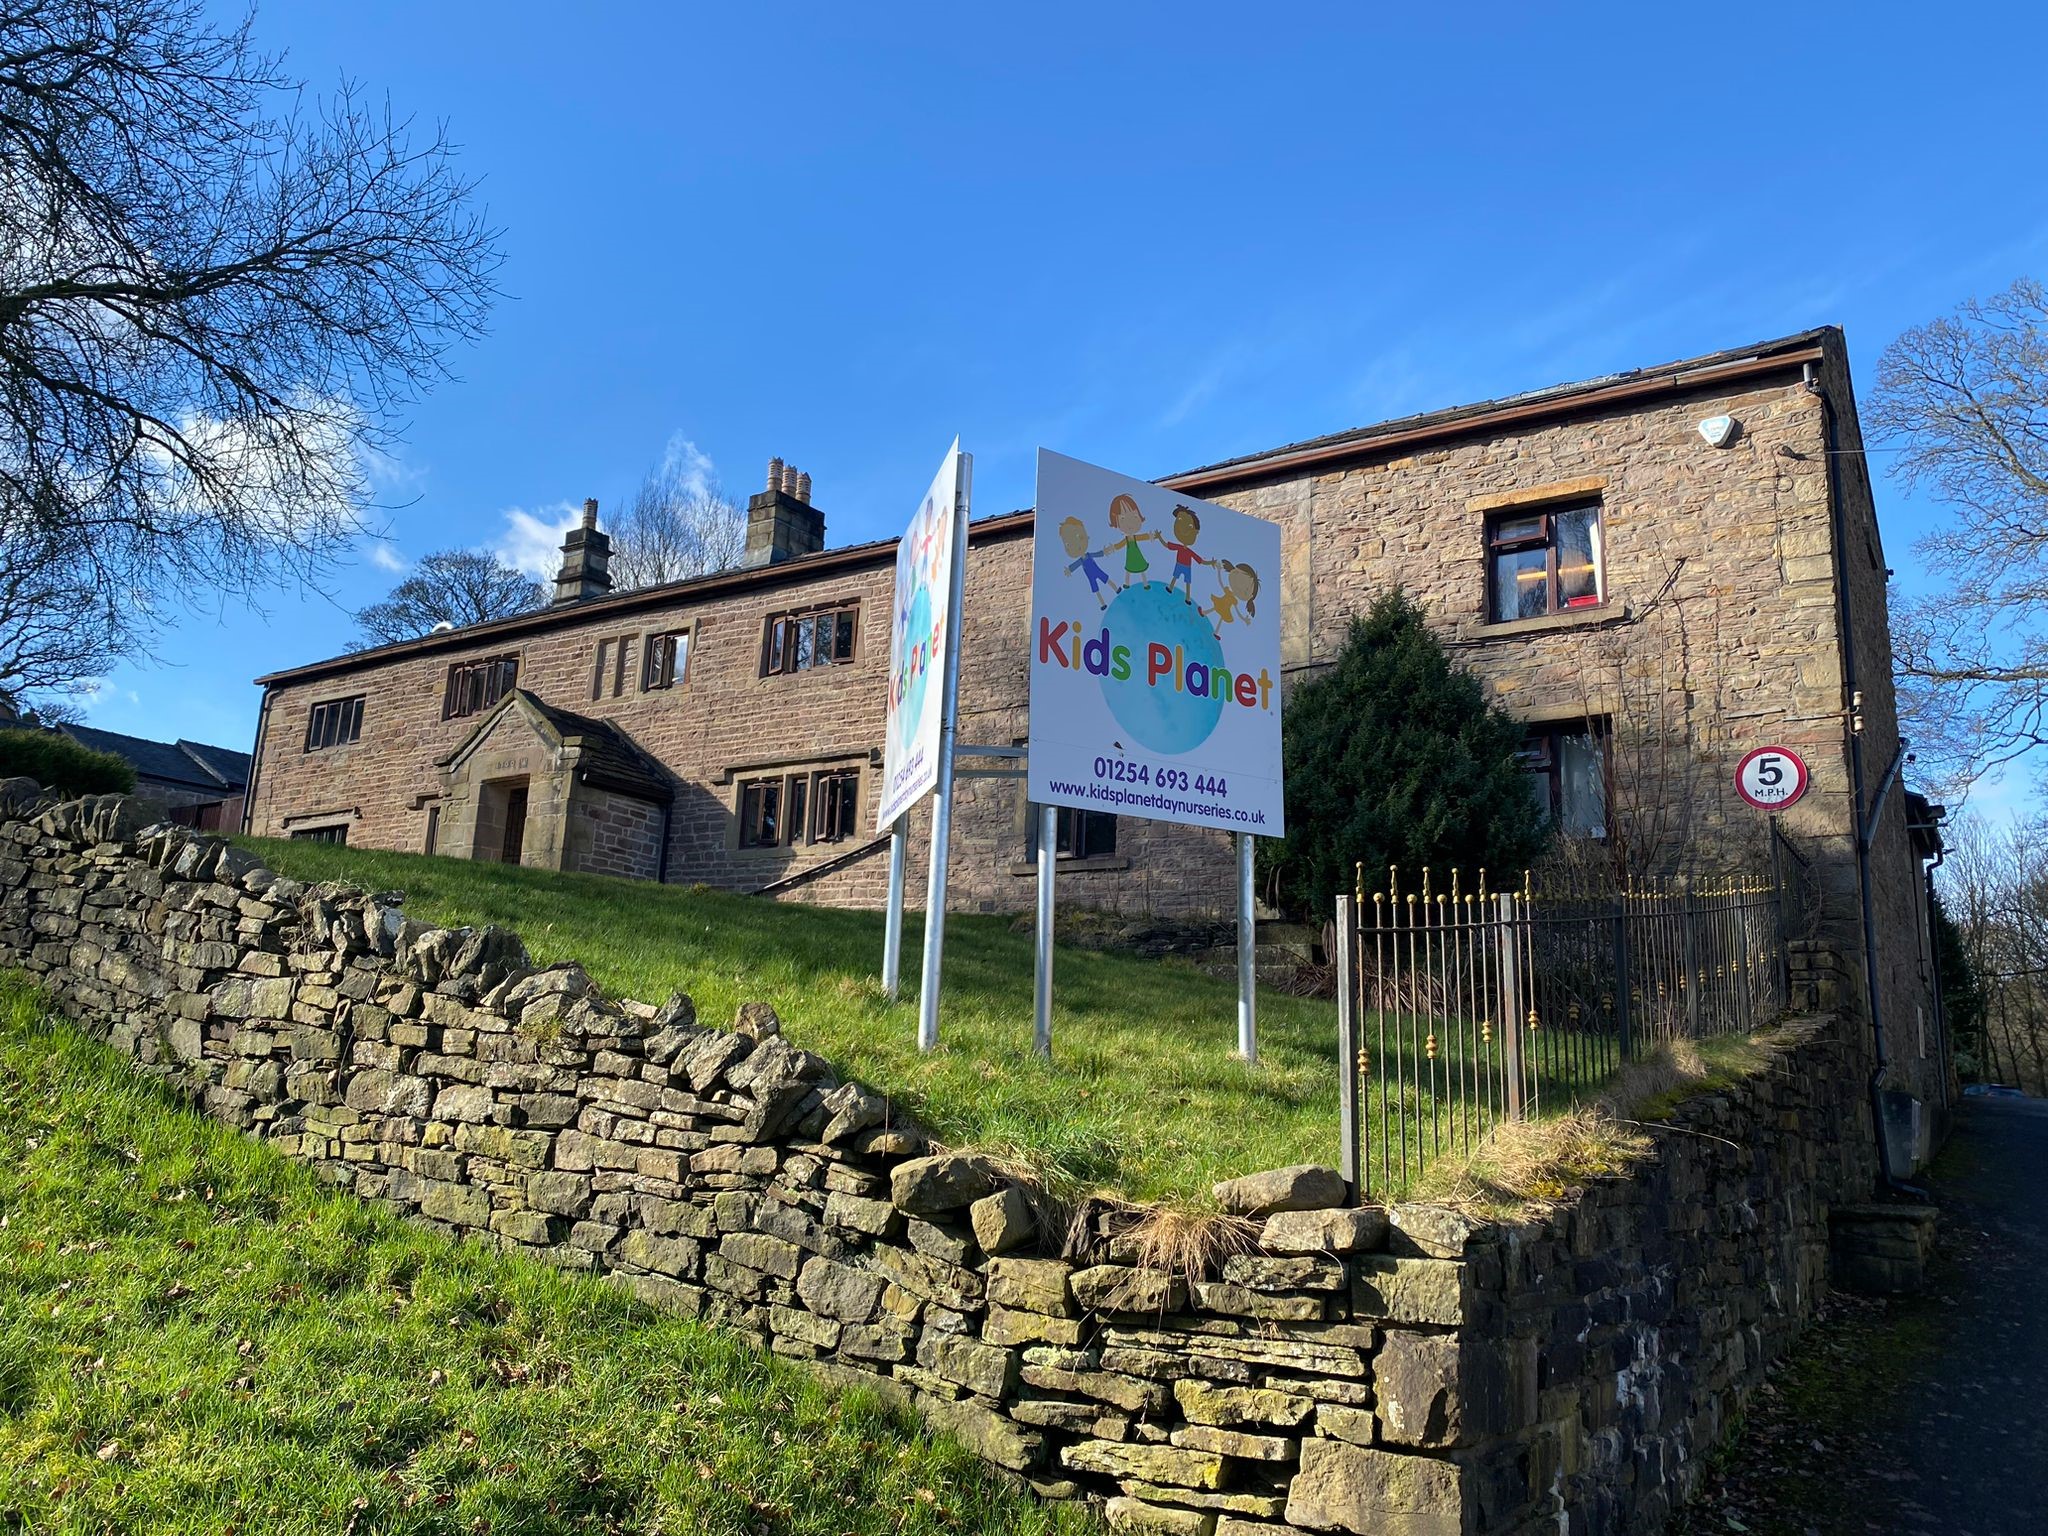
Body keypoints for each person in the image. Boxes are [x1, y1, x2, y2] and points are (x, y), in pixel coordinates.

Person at [1058, 515, 1116, 609]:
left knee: (1106, 579)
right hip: (1090, 576)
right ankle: (1103, 604)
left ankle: (1116, 589)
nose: (1075, 545)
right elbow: (1075, 566)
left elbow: (1097, 554)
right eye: (1068, 544)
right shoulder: (1081, 561)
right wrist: (1069, 570)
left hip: (1097, 571)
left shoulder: (1089, 555)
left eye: (1079, 537)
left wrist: (1104, 552)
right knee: (1096, 590)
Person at [1105, 493, 1159, 588]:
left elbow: (1142, 537)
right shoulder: (1127, 539)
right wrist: (1113, 548)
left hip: (1137, 555)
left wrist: (1151, 536)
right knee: (1128, 569)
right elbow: (1120, 545)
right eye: (1122, 519)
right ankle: (1127, 583)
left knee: (1142, 568)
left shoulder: (1134, 537)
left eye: (1134, 516)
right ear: (1116, 522)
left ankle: (1145, 583)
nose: (1130, 523)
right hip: (1130, 556)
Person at [1160, 504, 1208, 603]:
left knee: (1187, 582)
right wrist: (1159, 537)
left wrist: (1211, 563)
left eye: (1190, 526)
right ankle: (1170, 588)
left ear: (1196, 532)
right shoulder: (1179, 547)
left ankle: (1187, 597)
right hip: (1180, 564)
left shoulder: (1190, 551)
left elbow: (1200, 560)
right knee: (1175, 577)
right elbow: (1167, 545)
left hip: (1187, 567)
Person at [1205, 560, 1260, 635]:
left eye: (1246, 590)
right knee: (1215, 608)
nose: (1240, 587)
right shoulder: (1228, 591)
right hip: (1220, 602)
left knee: (1221, 617)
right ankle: (1205, 612)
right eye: (1239, 579)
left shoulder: (1234, 600)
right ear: (1234, 571)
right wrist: (1218, 571)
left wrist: (1244, 619)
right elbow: (1221, 583)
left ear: (1249, 597)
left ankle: (1216, 632)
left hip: (1226, 609)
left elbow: (1238, 612)